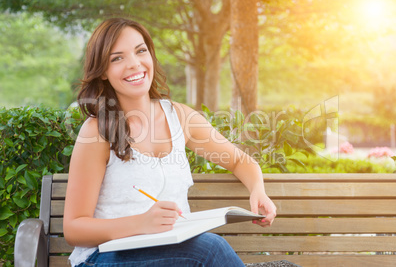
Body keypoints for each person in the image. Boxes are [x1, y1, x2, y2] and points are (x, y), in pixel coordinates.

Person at [63, 17, 276, 267]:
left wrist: (258, 190)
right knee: (210, 249)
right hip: (104, 258)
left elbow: (239, 160)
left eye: (140, 51)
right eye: (117, 58)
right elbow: (74, 228)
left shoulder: (180, 117)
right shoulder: (97, 131)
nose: (134, 64)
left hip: (174, 254)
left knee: (203, 249)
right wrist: (140, 223)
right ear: (103, 72)